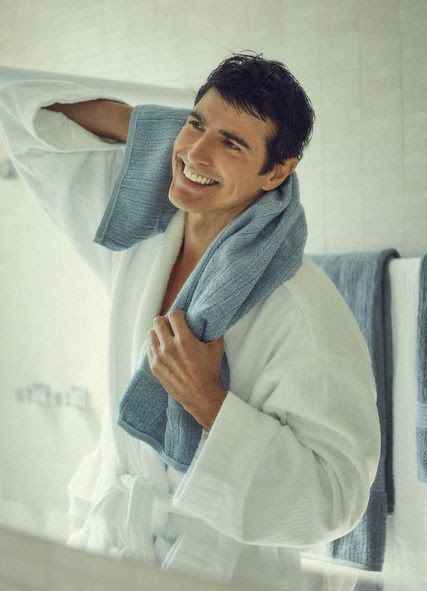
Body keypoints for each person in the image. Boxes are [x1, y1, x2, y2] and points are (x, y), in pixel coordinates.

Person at [0, 52, 380, 591]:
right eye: (196, 123)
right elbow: (22, 115)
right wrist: (161, 133)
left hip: (222, 572)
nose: (198, 153)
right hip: (114, 550)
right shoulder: (145, 233)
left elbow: (336, 498)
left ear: (276, 171)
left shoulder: (300, 308)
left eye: (232, 144)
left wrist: (208, 400)